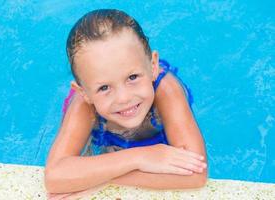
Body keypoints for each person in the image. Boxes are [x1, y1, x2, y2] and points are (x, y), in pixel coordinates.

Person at [44, 8, 208, 199]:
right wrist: (140, 157)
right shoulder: (83, 106)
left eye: (132, 77)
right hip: (105, 131)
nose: (123, 98)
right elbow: (54, 177)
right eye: (104, 88)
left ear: (153, 66)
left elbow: (197, 175)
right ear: (84, 92)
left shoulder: (166, 91)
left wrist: (101, 177)